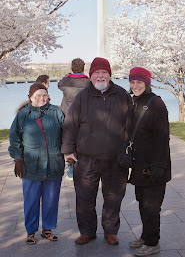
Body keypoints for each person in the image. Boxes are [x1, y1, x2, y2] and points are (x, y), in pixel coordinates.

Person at [61, 57, 132, 245]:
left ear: (109, 75)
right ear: (91, 76)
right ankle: (87, 231)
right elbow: (70, 125)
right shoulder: (82, 97)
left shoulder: (122, 95)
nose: (100, 76)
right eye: (96, 73)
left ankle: (110, 231)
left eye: (104, 72)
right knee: (84, 197)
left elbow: (131, 126)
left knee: (113, 197)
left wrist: (130, 150)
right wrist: (68, 150)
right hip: (86, 159)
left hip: (115, 159)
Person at [8, 83, 65, 245]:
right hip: (31, 165)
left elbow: (67, 133)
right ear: (30, 97)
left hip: (54, 164)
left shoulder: (57, 112)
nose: (41, 98)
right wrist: (17, 158)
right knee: (31, 200)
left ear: (48, 96)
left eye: (44, 95)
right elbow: (14, 138)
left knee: (51, 199)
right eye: (37, 95)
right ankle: (31, 231)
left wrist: (69, 152)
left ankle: (47, 229)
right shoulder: (23, 115)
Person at [127, 67, 171, 256]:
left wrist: (158, 166)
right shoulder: (134, 102)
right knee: (142, 202)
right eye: (133, 82)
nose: (136, 86)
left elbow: (163, 138)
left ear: (147, 83)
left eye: (139, 82)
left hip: (154, 166)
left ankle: (153, 243)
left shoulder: (156, 104)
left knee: (152, 206)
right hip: (139, 164)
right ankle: (146, 236)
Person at [58, 58, 89, 181]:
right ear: (83, 68)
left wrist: (67, 75)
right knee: (82, 141)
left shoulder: (65, 81)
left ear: (71, 68)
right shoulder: (88, 82)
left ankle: (70, 170)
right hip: (83, 115)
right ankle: (82, 168)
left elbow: (59, 84)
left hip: (67, 114)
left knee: (69, 142)